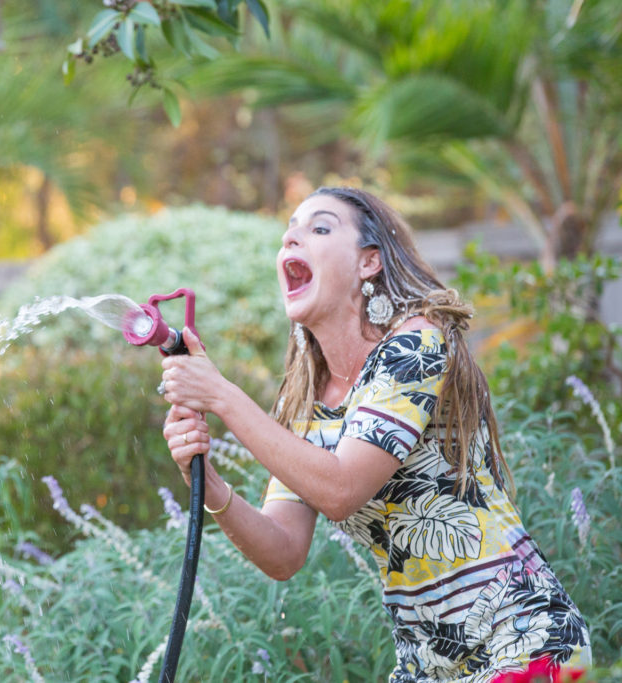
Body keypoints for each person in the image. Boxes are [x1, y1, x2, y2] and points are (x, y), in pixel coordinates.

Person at [160, 187, 591, 681]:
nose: (291, 238)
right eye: (289, 231)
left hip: (521, 638)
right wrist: (207, 480)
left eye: (319, 228)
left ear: (369, 262)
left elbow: (341, 489)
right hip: (427, 664)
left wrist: (221, 396)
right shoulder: (303, 403)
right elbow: (282, 552)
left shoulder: (415, 344)